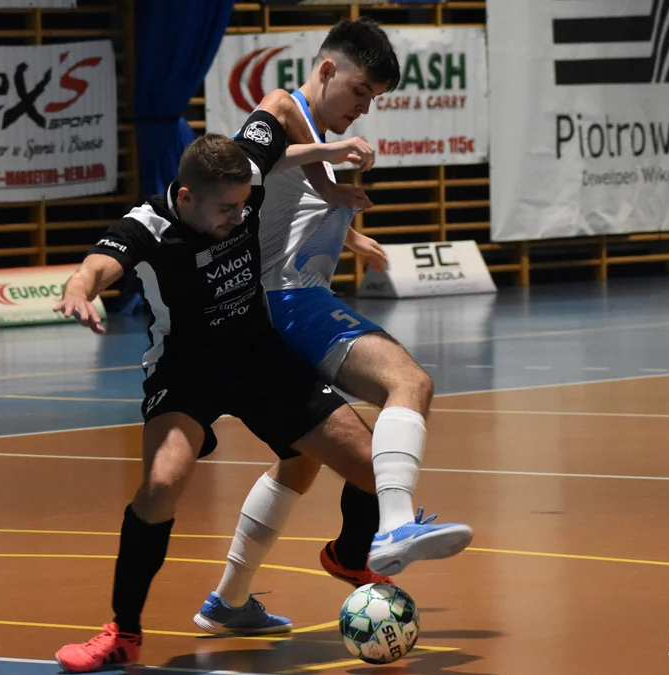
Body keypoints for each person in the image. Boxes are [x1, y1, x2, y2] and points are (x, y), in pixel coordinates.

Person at [49, 92, 459, 671]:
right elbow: (97, 267)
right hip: (185, 371)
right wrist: (76, 290)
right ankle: (123, 633)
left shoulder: (242, 179)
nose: (239, 219)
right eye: (226, 211)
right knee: (163, 484)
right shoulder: (148, 225)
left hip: (259, 359)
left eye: (245, 206)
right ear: (186, 197)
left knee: (374, 468)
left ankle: (346, 554)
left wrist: (335, 173)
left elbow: (282, 122)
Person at [193, 18, 473, 637]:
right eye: (361, 91)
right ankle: (390, 528)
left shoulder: (312, 128)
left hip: (268, 308)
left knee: (300, 460)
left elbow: (276, 204)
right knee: (410, 382)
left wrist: (347, 230)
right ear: (326, 71)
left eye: (375, 99)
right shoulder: (277, 110)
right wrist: (328, 157)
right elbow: (243, 170)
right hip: (286, 299)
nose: (364, 109)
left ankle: (228, 601)